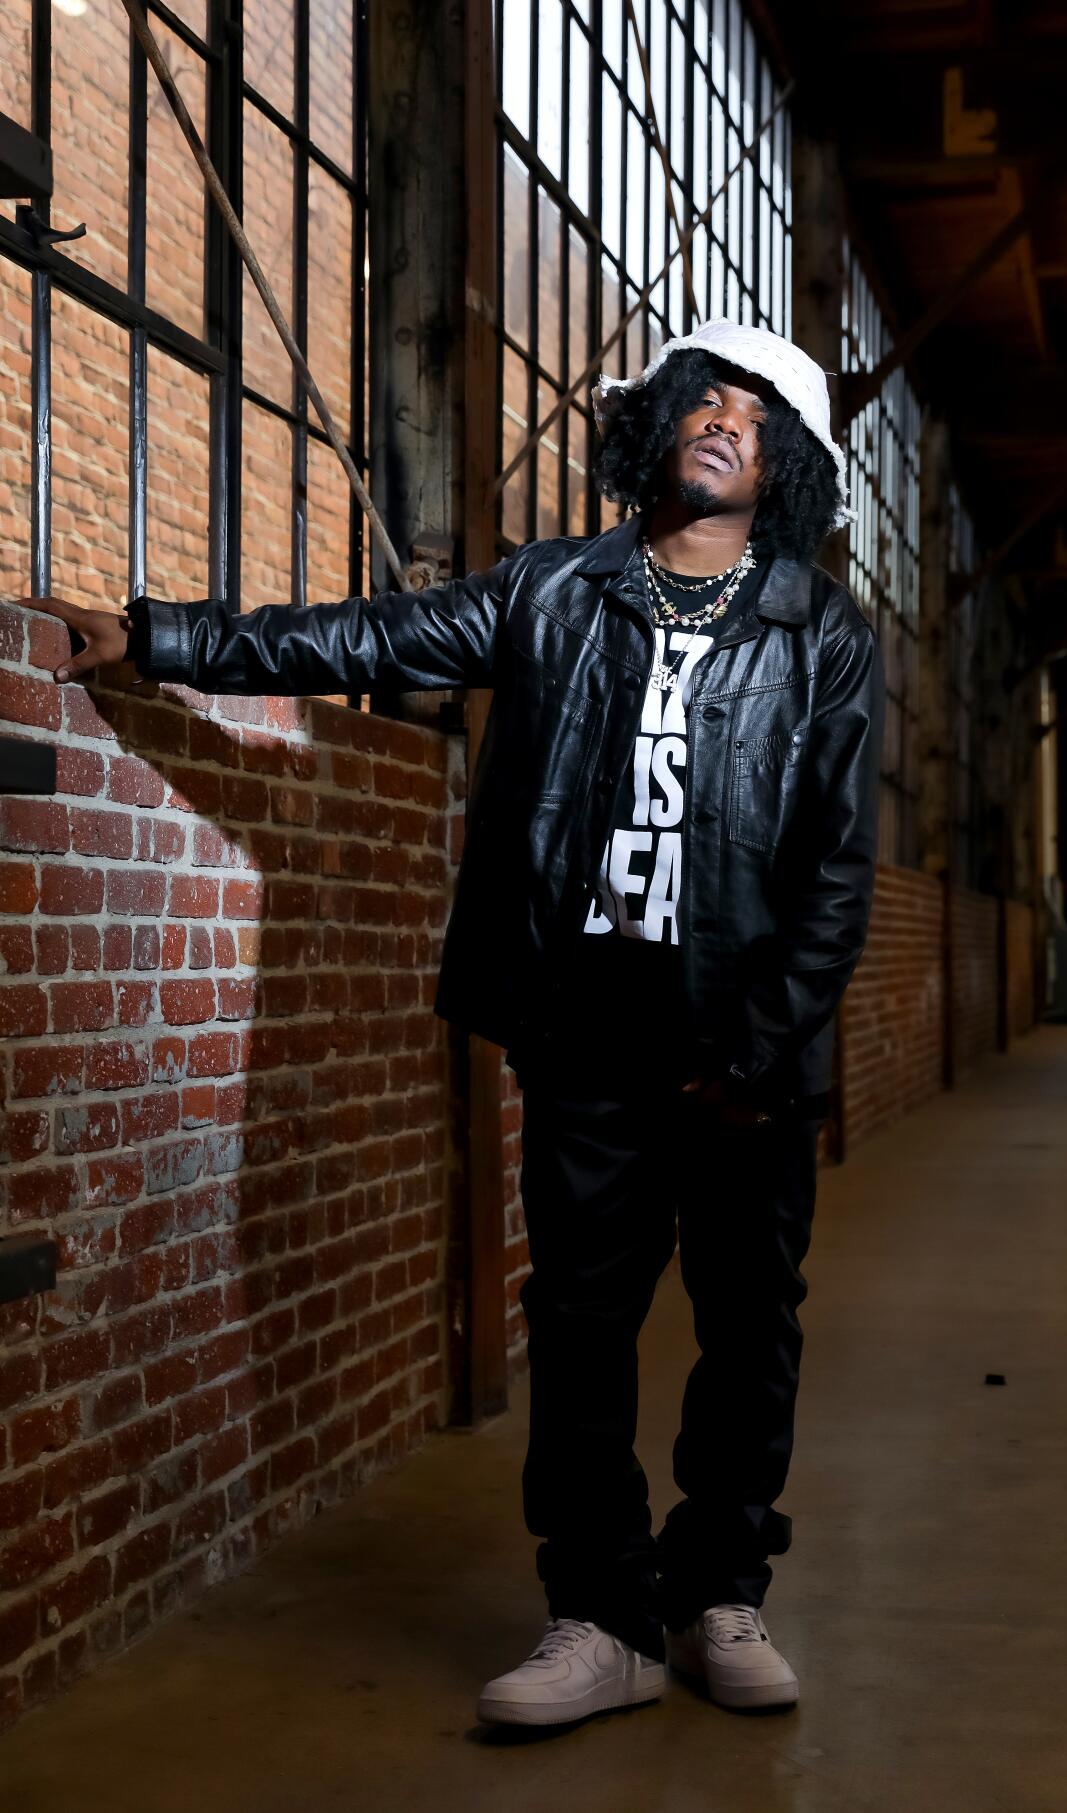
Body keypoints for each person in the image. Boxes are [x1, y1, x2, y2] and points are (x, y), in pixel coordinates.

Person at [27, 316, 883, 1729]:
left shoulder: (819, 631)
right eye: (703, 399)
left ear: (782, 462)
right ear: (659, 428)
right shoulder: (556, 592)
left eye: (755, 414)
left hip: (742, 1050)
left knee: (750, 1328)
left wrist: (764, 1051)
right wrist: (162, 635)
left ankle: (721, 1587)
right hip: (586, 1025)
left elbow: (835, 862)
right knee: (585, 1322)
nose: (725, 421)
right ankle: (599, 1612)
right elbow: (372, 632)